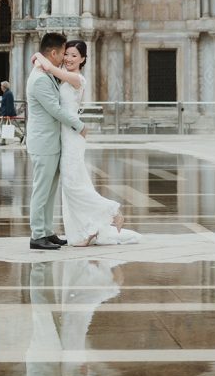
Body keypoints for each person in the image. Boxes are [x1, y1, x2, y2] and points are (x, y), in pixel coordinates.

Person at [32, 40, 140, 247]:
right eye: (67, 55)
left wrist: (39, 56)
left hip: (72, 136)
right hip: (64, 136)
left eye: (74, 55)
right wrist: (41, 58)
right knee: (74, 185)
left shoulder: (76, 78)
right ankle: (89, 229)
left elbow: (51, 67)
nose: (69, 59)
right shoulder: (63, 78)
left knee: (73, 187)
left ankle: (112, 210)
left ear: (83, 59)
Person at [26, 32, 85, 251]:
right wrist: (79, 126)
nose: (64, 58)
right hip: (44, 142)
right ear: (53, 52)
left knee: (49, 190)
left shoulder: (45, 72)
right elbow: (55, 109)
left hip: (51, 142)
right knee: (41, 190)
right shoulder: (40, 79)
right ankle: (37, 235)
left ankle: (47, 231)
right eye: (62, 53)